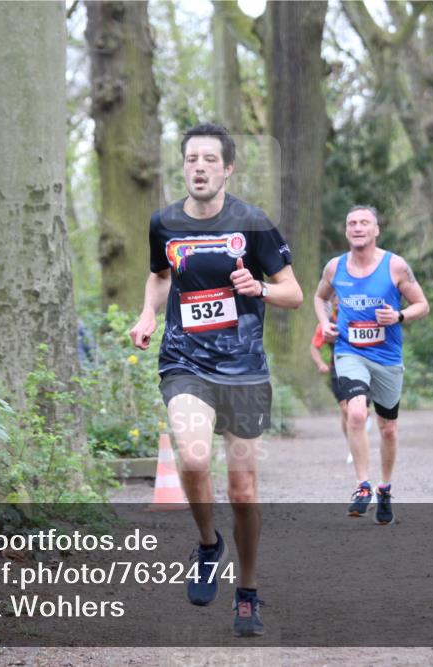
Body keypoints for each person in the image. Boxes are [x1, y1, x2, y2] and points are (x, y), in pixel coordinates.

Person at [129, 123, 302, 637]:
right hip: (185, 361)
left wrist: (261, 290)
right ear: (182, 167)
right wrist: (146, 316)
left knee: (244, 490)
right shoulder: (164, 222)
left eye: (209, 159)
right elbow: (160, 275)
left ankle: (247, 592)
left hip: (244, 368)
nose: (199, 166)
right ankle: (208, 543)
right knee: (195, 456)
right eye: (190, 159)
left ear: (227, 168)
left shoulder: (253, 223)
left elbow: (292, 291)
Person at [313, 205, 429, 525]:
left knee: (388, 429)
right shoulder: (335, 268)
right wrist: (325, 322)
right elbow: (319, 298)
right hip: (350, 351)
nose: (358, 227)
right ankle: (363, 486)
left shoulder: (396, 267)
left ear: (376, 230)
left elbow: (422, 304)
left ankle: (385, 488)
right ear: (346, 231)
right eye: (352, 223)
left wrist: (399, 316)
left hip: (387, 357)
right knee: (355, 412)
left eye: (365, 223)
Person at [310, 297, 348, 441]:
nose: (338, 302)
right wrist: (320, 363)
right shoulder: (327, 323)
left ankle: (362, 421)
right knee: (345, 409)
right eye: (335, 300)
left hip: (362, 367)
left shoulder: (358, 319)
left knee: (359, 409)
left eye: (341, 298)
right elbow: (314, 346)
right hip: (337, 369)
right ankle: (352, 444)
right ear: (331, 303)